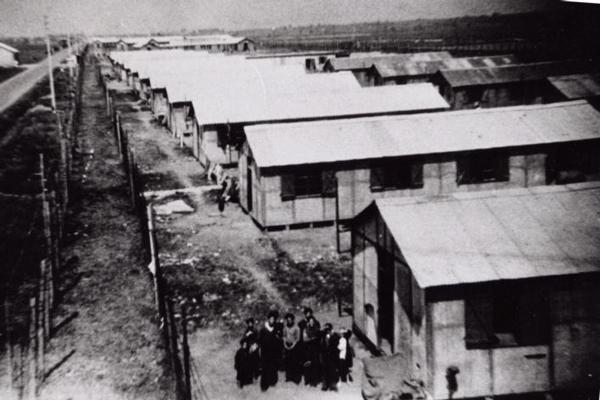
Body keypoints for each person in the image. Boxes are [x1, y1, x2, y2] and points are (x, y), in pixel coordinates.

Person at [258, 310, 282, 391]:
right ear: (268, 319)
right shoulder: (263, 330)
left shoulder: (276, 329)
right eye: (271, 319)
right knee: (265, 369)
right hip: (265, 353)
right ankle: (264, 386)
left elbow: (279, 340)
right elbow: (259, 341)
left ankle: (272, 382)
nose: (272, 320)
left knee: (273, 368)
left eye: (273, 319)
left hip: (273, 353)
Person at [299, 315, 321, 386]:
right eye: (310, 321)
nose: (311, 323)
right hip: (308, 349)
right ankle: (308, 380)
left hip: (315, 349)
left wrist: (312, 338)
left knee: (315, 364)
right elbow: (305, 339)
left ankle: (315, 380)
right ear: (308, 322)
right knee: (308, 364)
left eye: (312, 321)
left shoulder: (317, 329)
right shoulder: (306, 330)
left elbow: (319, 338)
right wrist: (313, 338)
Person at [320, 323, 340, 391]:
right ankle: (325, 385)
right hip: (325, 356)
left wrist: (333, 334)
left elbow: (338, 341)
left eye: (329, 329)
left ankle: (332, 385)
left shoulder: (334, 336)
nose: (327, 331)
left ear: (331, 330)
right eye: (326, 330)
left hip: (332, 356)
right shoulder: (323, 336)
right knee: (325, 371)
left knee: (332, 371)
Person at [283, 313, 302, 383]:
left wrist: (292, 345)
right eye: (288, 320)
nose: (289, 321)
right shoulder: (285, 328)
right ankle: (288, 377)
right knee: (288, 362)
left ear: (292, 320)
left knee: (295, 362)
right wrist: (285, 344)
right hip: (287, 346)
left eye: (290, 320)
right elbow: (284, 336)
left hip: (295, 347)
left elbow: (298, 338)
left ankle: (296, 378)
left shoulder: (297, 328)